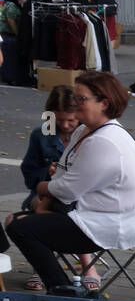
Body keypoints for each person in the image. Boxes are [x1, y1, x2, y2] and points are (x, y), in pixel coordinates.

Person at [6, 72, 135, 294]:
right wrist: (46, 197)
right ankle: (61, 288)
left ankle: (62, 292)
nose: (75, 104)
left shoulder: (104, 141)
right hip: (88, 213)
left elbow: (66, 189)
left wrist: (41, 189)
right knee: (17, 222)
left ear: (104, 103)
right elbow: (62, 177)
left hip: (110, 224)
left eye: (81, 99)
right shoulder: (86, 131)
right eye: (75, 97)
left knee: (22, 228)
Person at [3, 87, 93, 289]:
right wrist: (47, 172)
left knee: (69, 206)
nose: (65, 125)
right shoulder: (41, 134)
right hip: (47, 194)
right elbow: (29, 172)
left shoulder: (88, 134)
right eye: (59, 120)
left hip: (80, 195)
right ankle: (41, 267)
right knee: (43, 207)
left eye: (71, 120)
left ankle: (87, 264)